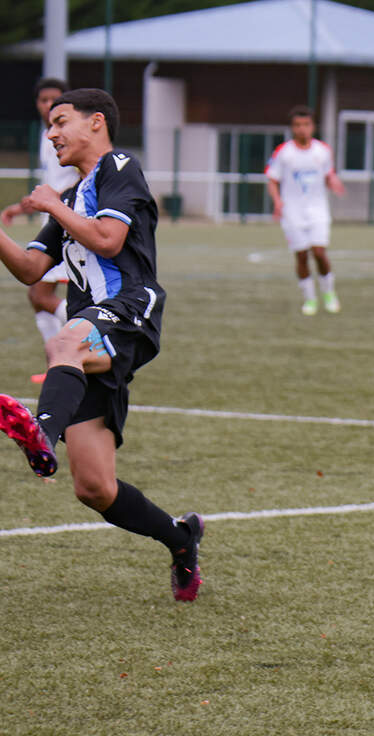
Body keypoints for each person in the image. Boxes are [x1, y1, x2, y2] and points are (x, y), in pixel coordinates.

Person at [0, 89, 204, 602]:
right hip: (96, 326)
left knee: (65, 339)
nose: (51, 134)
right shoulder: (70, 198)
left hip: (130, 306)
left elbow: (110, 241)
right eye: (49, 125)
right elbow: (29, 269)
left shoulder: (119, 165)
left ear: (97, 122)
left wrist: (50, 203)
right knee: (94, 488)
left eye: (60, 121)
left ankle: (40, 434)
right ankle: (181, 540)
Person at [2, 77, 80, 385]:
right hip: (54, 221)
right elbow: (53, 187)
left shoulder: (71, 135)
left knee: (40, 292)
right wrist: (21, 207)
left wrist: (60, 204)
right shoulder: (48, 136)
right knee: (37, 296)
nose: (48, 104)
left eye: (54, 99)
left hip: (68, 224)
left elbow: (79, 181)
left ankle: (92, 340)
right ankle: (58, 359)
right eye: (43, 100)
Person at [266, 106, 345, 315]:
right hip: (292, 212)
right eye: (297, 125)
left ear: (313, 126)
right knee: (301, 256)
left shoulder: (323, 151)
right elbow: (272, 179)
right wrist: (277, 201)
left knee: (319, 252)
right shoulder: (283, 152)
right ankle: (309, 299)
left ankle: (329, 293)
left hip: (318, 210)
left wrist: (333, 180)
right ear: (292, 128)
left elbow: (328, 174)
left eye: (306, 125)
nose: (302, 129)